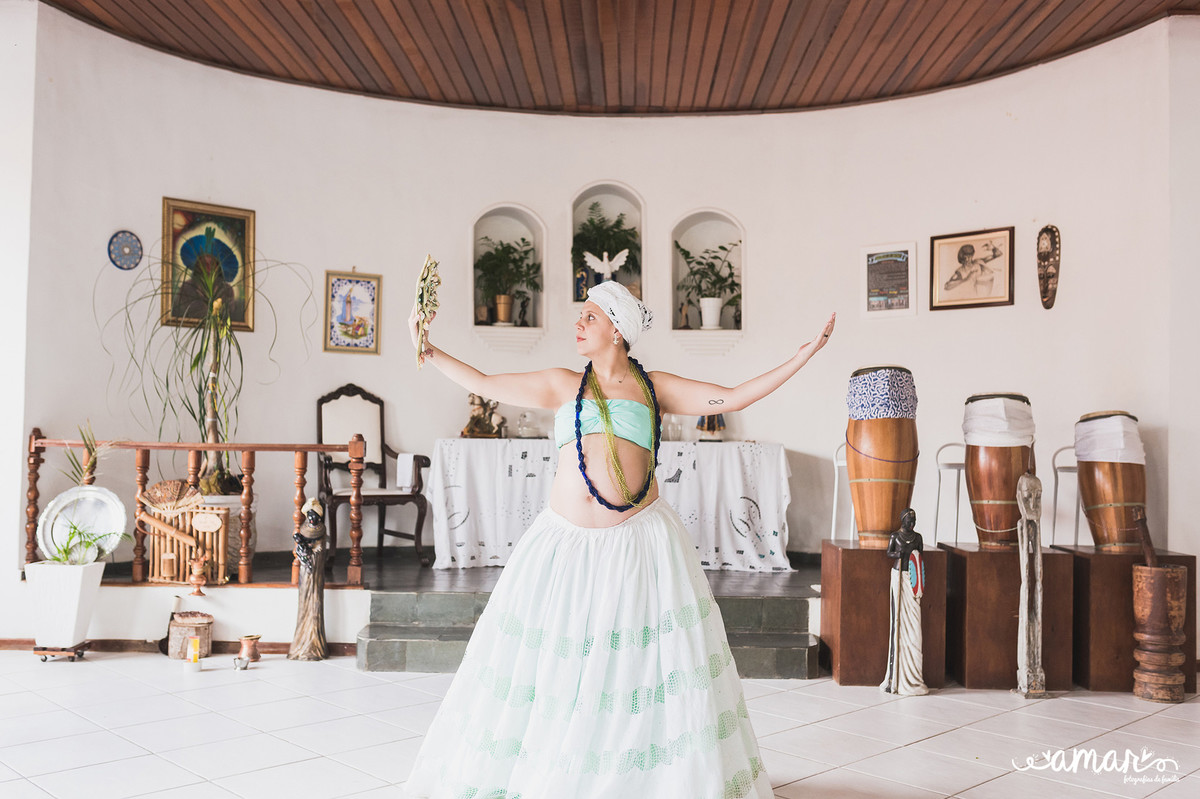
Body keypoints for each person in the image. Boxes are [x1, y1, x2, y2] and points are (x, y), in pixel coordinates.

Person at [404, 280, 835, 798]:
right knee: (560, 667)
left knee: (633, 670)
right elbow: (485, 382)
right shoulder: (563, 384)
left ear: (616, 330)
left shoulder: (654, 388)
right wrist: (429, 350)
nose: (578, 324)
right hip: (564, 547)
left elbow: (734, 394)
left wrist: (802, 357)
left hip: (639, 544)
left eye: (589, 316)